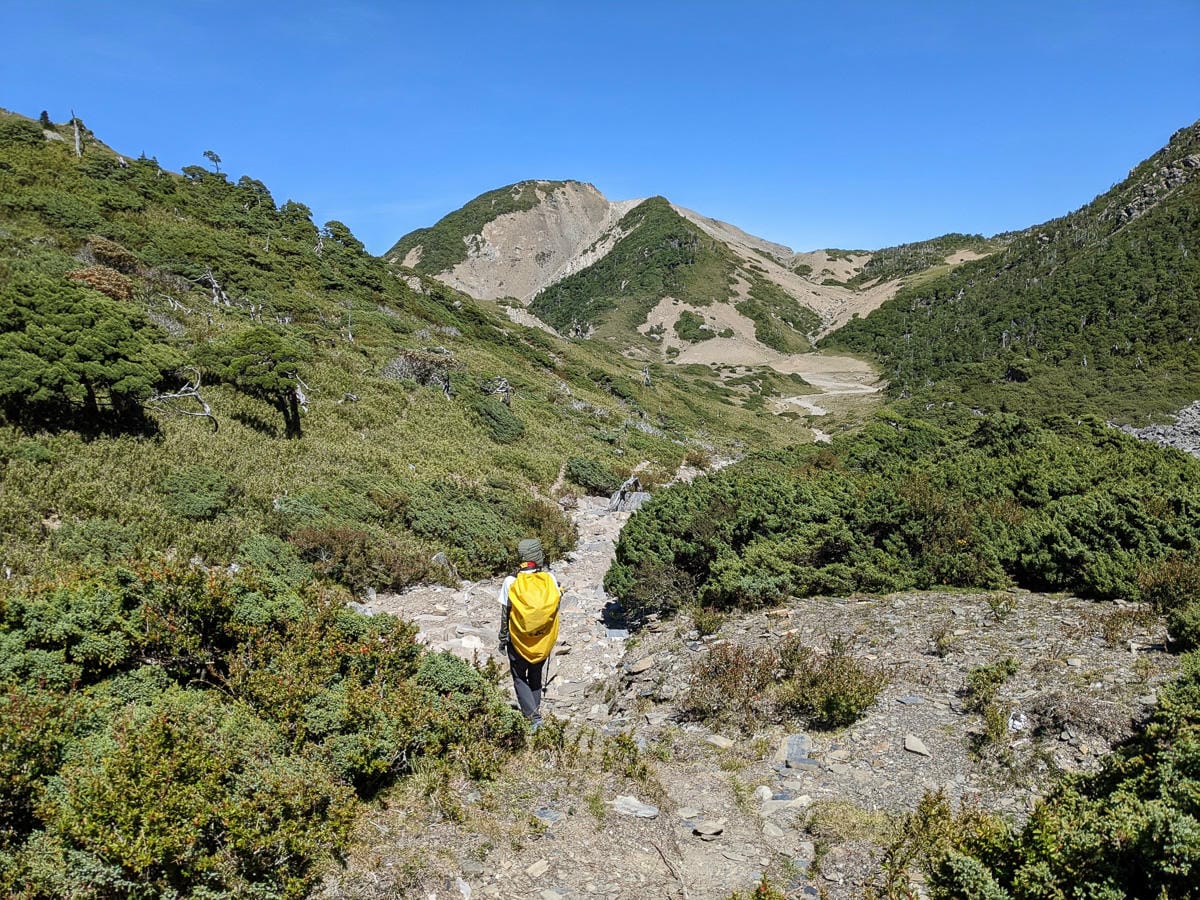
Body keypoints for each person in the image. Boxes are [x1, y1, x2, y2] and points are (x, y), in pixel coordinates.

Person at [497, 538, 562, 731]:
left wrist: (502, 639)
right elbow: (555, 608)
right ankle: (535, 715)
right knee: (536, 675)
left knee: (519, 677)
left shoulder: (511, 582)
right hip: (542, 639)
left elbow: (505, 614)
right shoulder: (549, 579)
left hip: (518, 640)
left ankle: (533, 718)